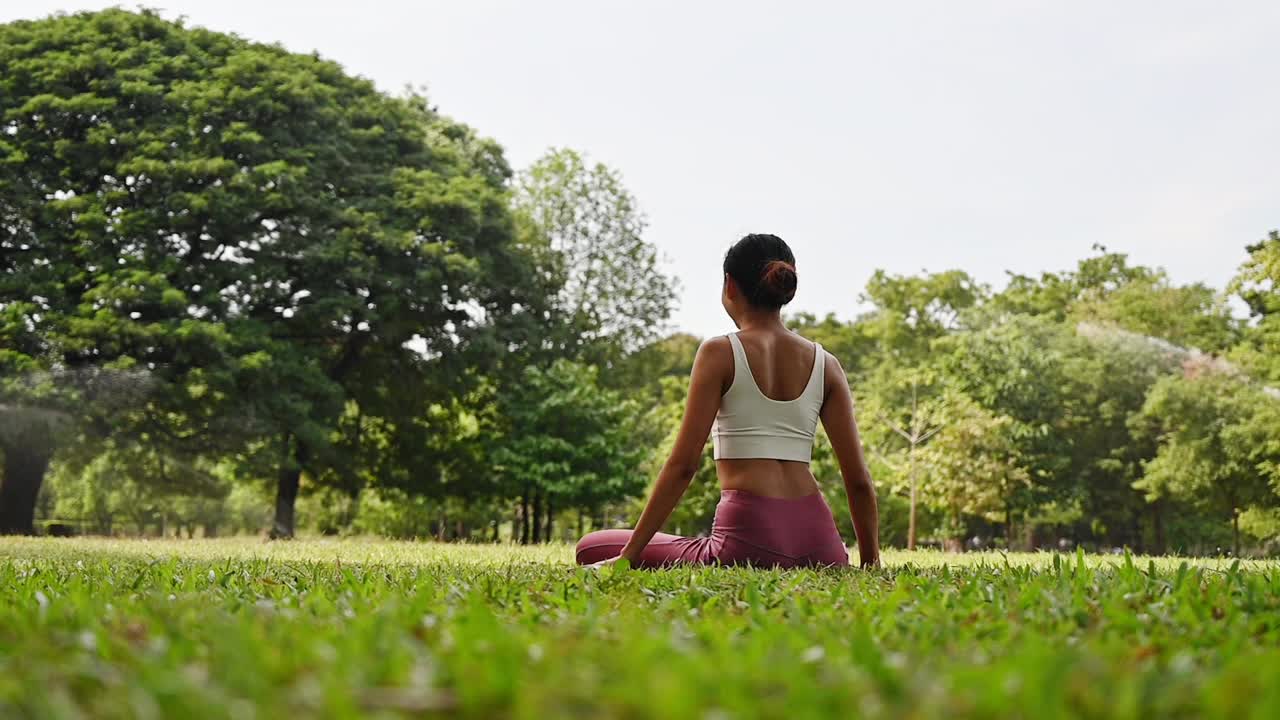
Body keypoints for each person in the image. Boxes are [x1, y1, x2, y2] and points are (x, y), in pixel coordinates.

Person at [576, 234, 880, 569]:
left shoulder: (719, 352)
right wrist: (870, 562)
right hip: (821, 548)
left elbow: (683, 466)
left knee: (592, 546)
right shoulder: (827, 364)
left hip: (747, 543)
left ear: (729, 286)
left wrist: (628, 557)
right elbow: (858, 480)